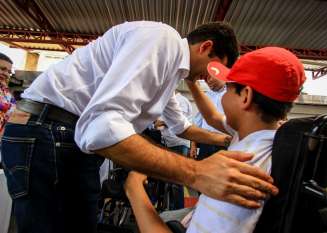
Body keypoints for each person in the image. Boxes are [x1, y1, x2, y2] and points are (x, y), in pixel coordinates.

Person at [1, 21, 278, 233]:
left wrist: (224, 141)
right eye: (215, 68)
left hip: (64, 136)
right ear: (205, 47)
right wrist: (196, 172)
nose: (211, 77)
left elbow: (180, 127)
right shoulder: (162, 40)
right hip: (48, 130)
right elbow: (101, 127)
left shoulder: (170, 72)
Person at [124, 47, 306, 233]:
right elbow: (213, 117)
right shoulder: (262, 136)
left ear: (245, 96)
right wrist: (192, 82)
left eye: (228, 88)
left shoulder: (240, 171)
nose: (223, 95)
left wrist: (134, 188)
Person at [194, 73, 226, 159]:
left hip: (224, 143)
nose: (208, 81)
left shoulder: (231, 94)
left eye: (209, 77)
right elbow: (197, 122)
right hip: (206, 143)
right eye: (205, 79)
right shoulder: (206, 96)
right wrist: (193, 145)